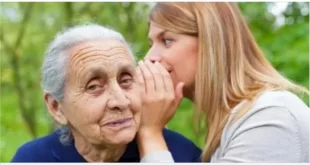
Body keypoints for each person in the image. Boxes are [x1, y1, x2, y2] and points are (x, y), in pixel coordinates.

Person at [136, 2, 310, 163]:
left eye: (167, 41)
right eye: (151, 43)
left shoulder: (270, 116)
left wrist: (150, 134)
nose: (150, 58)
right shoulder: (236, 121)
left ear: (210, 41)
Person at [11, 24, 202, 162]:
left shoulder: (181, 155)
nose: (121, 101)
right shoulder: (32, 158)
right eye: (94, 87)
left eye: (126, 80)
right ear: (56, 107)